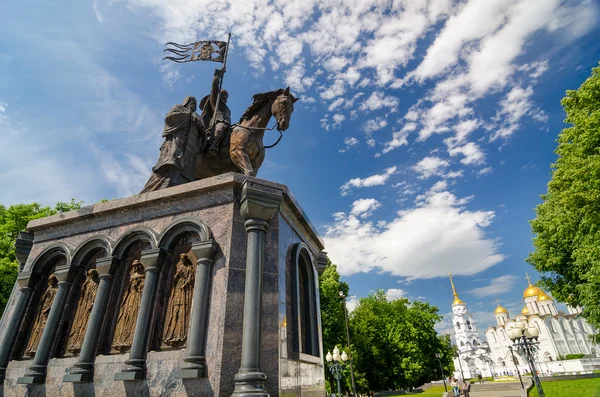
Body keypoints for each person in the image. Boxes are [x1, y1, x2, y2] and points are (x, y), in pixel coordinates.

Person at [141, 96, 203, 192]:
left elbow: (202, 136)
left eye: (195, 102)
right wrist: (188, 115)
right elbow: (169, 118)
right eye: (191, 101)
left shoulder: (197, 116)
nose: (193, 104)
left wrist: (199, 125)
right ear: (186, 102)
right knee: (173, 161)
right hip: (177, 140)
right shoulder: (179, 108)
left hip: (191, 148)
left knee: (187, 171)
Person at [201, 68, 231, 158]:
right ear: (219, 95)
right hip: (217, 121)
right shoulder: (215, 101)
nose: (226, 98)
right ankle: (212, 146)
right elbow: (214, 86)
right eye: (224, 95)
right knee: (220, 129)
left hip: (227, 124)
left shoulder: (227, 109)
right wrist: (217, 75)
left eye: (227, 97)